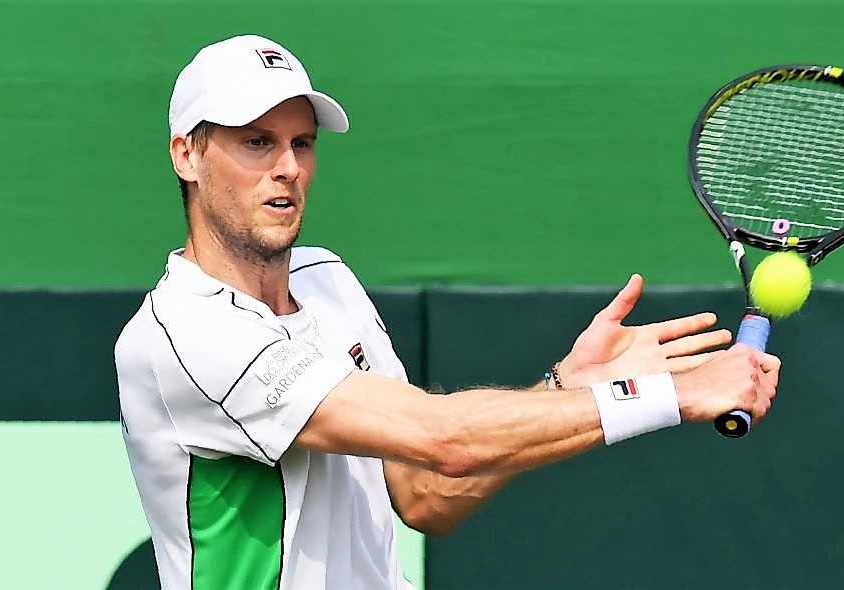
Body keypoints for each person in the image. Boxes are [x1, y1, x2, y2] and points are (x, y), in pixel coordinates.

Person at [114, 34, 780, 590]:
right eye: (257, 143)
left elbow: (424, 493)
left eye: (302, 143)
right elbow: (447, 439)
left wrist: (569, 389)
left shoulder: (326, 280)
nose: (288, 167)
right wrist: (671, 393)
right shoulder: (182, 335)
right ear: (187, 155)